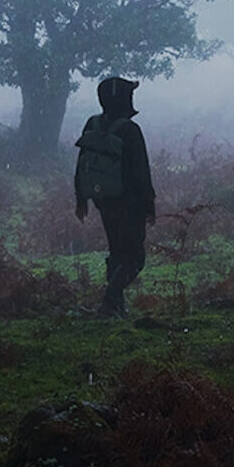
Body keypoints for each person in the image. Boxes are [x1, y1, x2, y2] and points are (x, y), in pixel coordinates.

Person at [74, 76, 156, 316]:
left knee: (117, 251)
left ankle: (114, 305)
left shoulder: (92, 124)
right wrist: (149, 204)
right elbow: (141, 170)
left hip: (103, 200)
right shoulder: (130, 130)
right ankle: (112, 298)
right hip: (130, 203)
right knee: (135, 257)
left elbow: (82, 164)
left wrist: (81, 197)